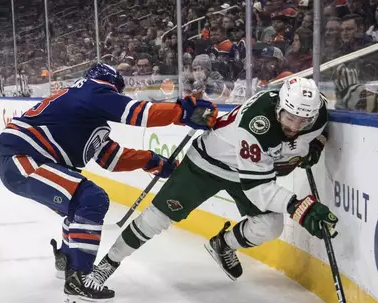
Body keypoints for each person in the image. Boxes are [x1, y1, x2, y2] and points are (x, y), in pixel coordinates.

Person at [0, 63, 218, 303]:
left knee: (80, 204)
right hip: (25, 159)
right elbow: (138, 114)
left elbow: (110, 157)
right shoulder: (91, 90)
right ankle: (79, 281)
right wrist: (182, 111)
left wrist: (152, 161)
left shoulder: (83, 111)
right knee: (90, 199)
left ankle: (69, 261)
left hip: (26, 159)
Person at [91, 77, 338, 286]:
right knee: (157, 218)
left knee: (270, 226)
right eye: (288, 118)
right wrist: (299, 208)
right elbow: (258, 189)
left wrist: (311, 146)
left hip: (248, 170)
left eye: (301, 121)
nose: (294, 126)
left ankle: (223, 244)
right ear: (278, 107)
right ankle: (108, 263)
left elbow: (308, 136)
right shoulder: (257, 124)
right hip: (207, 163)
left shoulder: (315, 115)